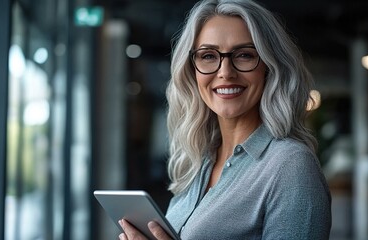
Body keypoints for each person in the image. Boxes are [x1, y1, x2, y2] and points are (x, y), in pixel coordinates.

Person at [118, 0, 332, 239]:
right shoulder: (201, 160)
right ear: (192, 71)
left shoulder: (291, 165)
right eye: (208, 55)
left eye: (244, 55)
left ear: (270, 67)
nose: (225, 72)